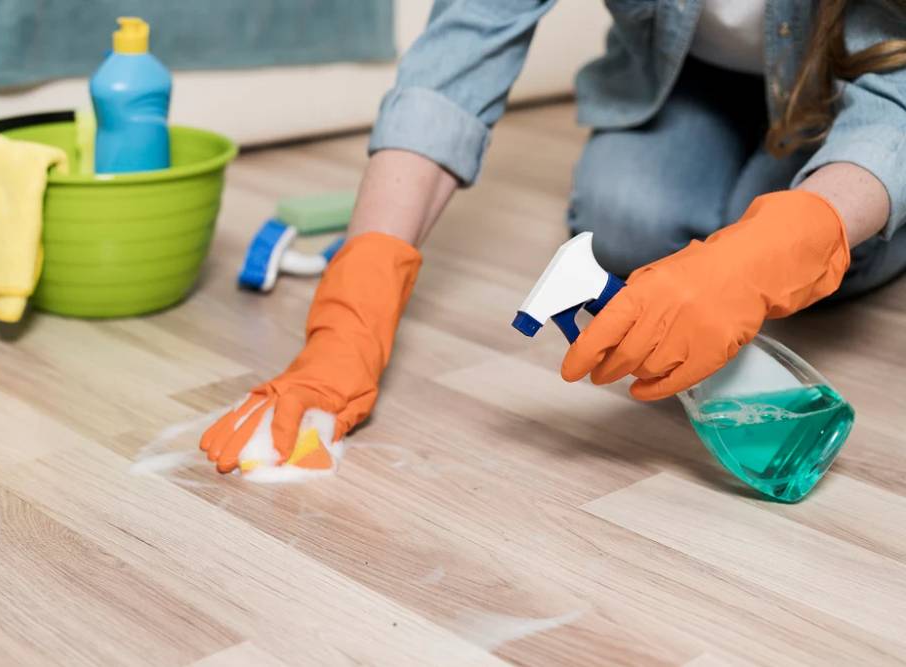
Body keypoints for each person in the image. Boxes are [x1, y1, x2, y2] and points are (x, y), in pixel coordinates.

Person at [201, 0, 906, 473]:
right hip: (689, 80)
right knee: (627, 218)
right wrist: (353, 303)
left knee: (809, 240)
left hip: (864, 78)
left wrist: (794, 236)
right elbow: (466, 41)